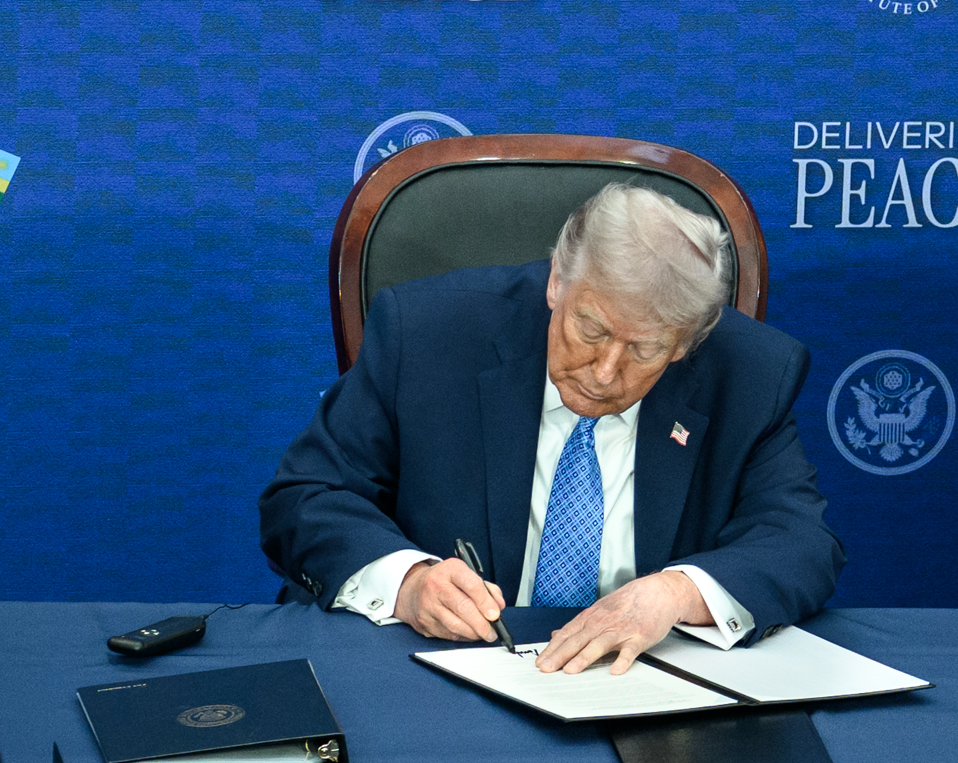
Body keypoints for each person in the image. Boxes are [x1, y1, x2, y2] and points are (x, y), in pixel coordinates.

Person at [261, 182, 845, 673]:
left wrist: (676, 593)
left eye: (644, 349)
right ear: (557, 282)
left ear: (686, 343)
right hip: (437, 672)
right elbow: (306, 497)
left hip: (640, 683)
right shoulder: (426, 334)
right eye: (590, 330)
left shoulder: (751, 373)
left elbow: (801, 543)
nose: (605, 372)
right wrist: (408, 582)